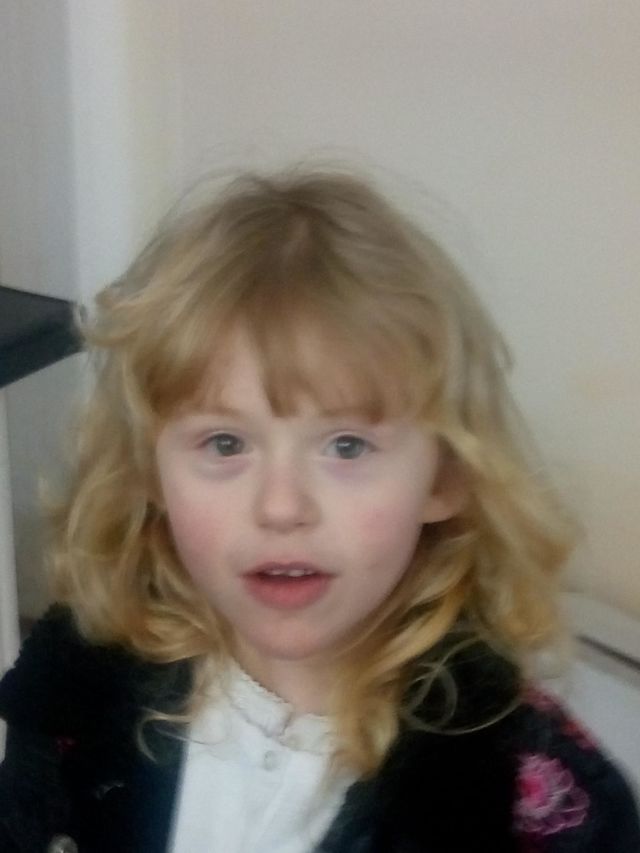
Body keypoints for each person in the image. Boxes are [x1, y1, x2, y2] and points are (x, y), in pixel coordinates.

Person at [0, 165, 638, 853]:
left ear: (445, 478)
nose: (281, 507)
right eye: (225, 443)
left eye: (346, 445)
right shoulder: (79, 677)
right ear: (149, 471)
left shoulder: (532, 795)